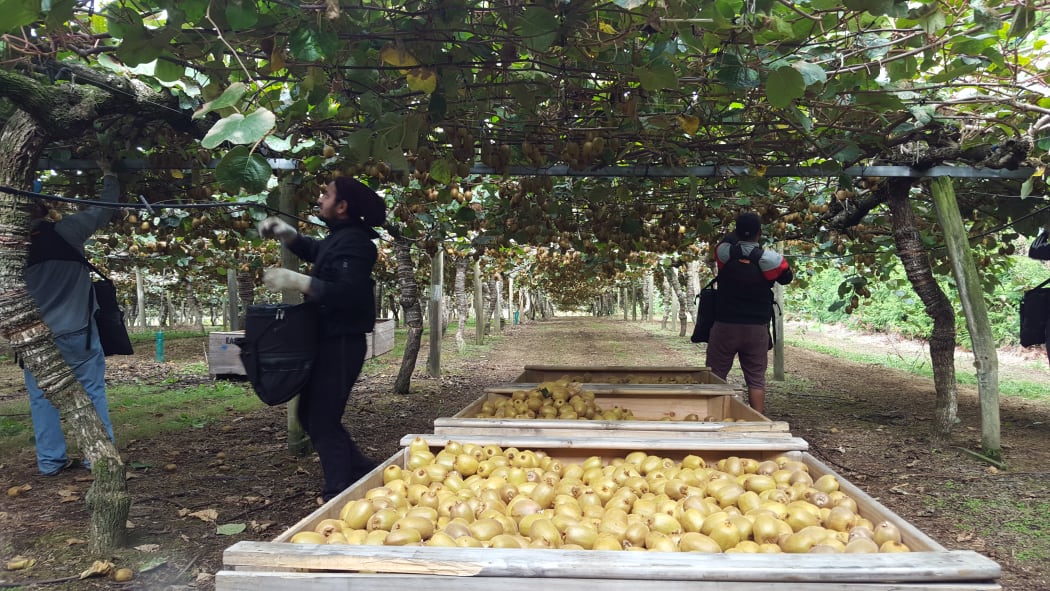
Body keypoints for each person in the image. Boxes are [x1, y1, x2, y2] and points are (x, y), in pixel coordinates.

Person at [256, 176, 386, 501]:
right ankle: (361, 470)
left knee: (322, 417)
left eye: (327, 195)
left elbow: (346, 292)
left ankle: (339, 491)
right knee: (309, 414)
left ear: (342, 206)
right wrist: (288, 235)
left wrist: (296, 281)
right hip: (328, 339)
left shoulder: (358, 244)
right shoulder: (341, 238)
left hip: (342, 342)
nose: (320, 199)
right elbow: (320, 252)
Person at [24, 161, 120, 476]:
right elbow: (105, 208)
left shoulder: (9, 247)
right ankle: (99, 458)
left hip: (34, 337)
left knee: (42, 399)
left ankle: (51, 462)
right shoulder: (68, 231)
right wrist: (108, 175)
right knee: (93, 391)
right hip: (78, 331)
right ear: (42, 206)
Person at [705, 212, 793, 414]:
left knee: (716, 374)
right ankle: (757, 421)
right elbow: (786, 277)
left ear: (735, 232)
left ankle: (713, 416)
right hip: (756, 328)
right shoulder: (772, 260)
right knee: (755, 379)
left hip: (725, 325)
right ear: (760, 233)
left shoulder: (724, 253)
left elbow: (723, 243)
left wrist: (735, 237)